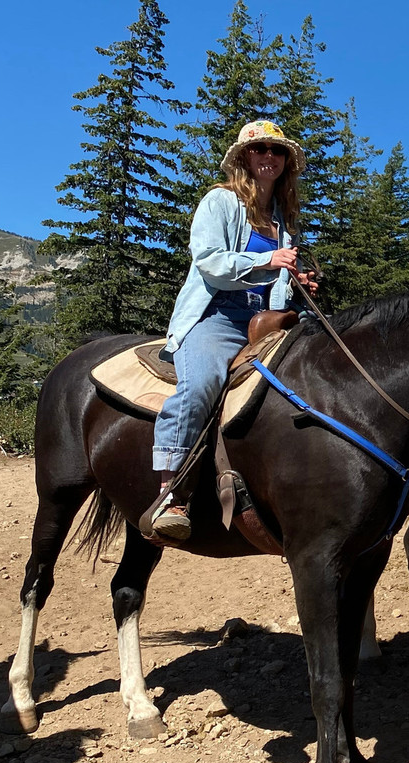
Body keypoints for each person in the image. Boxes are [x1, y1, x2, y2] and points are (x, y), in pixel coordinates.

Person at [149, 120, 319, 541]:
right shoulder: (220, 202)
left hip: (271, 319)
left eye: (277, 152)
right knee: (202, 382)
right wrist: (267, 262)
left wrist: (298, 282)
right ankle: (172, 491)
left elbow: (279, 278)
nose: (269, 157)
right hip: (218, 315)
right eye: (260, 150)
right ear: (244, 157)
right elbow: (209, 261)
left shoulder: (283, 218)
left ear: (286, 163)